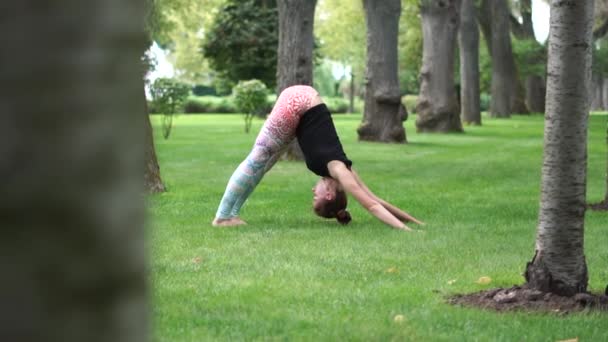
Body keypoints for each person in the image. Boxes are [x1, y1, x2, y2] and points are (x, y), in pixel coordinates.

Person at [212, 85, 423, 231]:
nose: (314, 191)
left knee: (263, 164)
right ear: (330, 195)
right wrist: (405, 229)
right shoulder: (340, 171)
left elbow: (377, 200)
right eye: (316, 196)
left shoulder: (344, 172)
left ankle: (231, 215)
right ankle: (223, 217)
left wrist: (416, 222)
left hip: (301, 108)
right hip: (299, 102)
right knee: (257, 158)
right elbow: (372, 206)